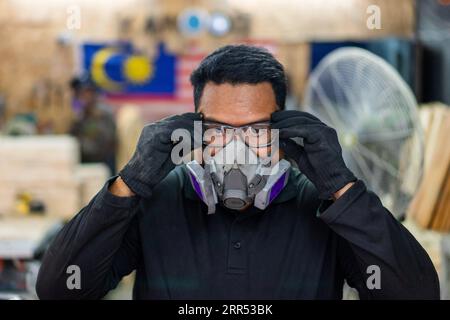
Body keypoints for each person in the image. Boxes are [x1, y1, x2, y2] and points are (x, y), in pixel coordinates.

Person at [36, 45, 439, 299]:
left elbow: (418, 293)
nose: (235, 147)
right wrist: (130, 183)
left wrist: (342, 189)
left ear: (284, 130)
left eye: (255, 130)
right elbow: (60, 289)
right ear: (193, 129)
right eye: (217, 130)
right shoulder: (158, 199)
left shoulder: (321, 206)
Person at [70, 75, 117, 174]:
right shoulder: (83, 114)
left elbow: (100, 148)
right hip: (90, 169)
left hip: (103, 169)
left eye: (86, 93)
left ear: (93, 93)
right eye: (79, 94)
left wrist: (76, 145)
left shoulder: (102, 113)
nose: (83, 97)